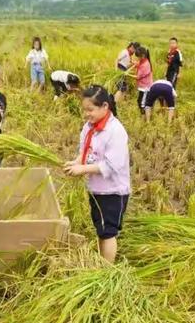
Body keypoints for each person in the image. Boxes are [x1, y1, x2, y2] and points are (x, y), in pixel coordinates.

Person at [64, 85, 130, 263]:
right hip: (96, 188)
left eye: (90, 110)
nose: (86, 114)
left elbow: (111, 165)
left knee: (108, 231)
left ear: (105, 107)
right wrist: (76, 162)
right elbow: (86, 151)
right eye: (84, 109)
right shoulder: (89, 127)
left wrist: (83, 169)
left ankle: (106, 270)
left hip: (112, 191)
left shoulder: (115, 131)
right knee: (100, 228)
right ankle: (103, 262)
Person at [134, 47, 153, 115]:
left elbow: (138, 77)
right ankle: (143, 115)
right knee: (139, 101)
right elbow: (138, 64)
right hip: (142, 86)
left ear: (143, 55)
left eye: (138, 56)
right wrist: (135, 64)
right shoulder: (143, 61)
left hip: (146, 87)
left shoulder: (145, 65)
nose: (137, 58)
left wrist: (127, 75)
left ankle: (144, 116)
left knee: (142, 103)